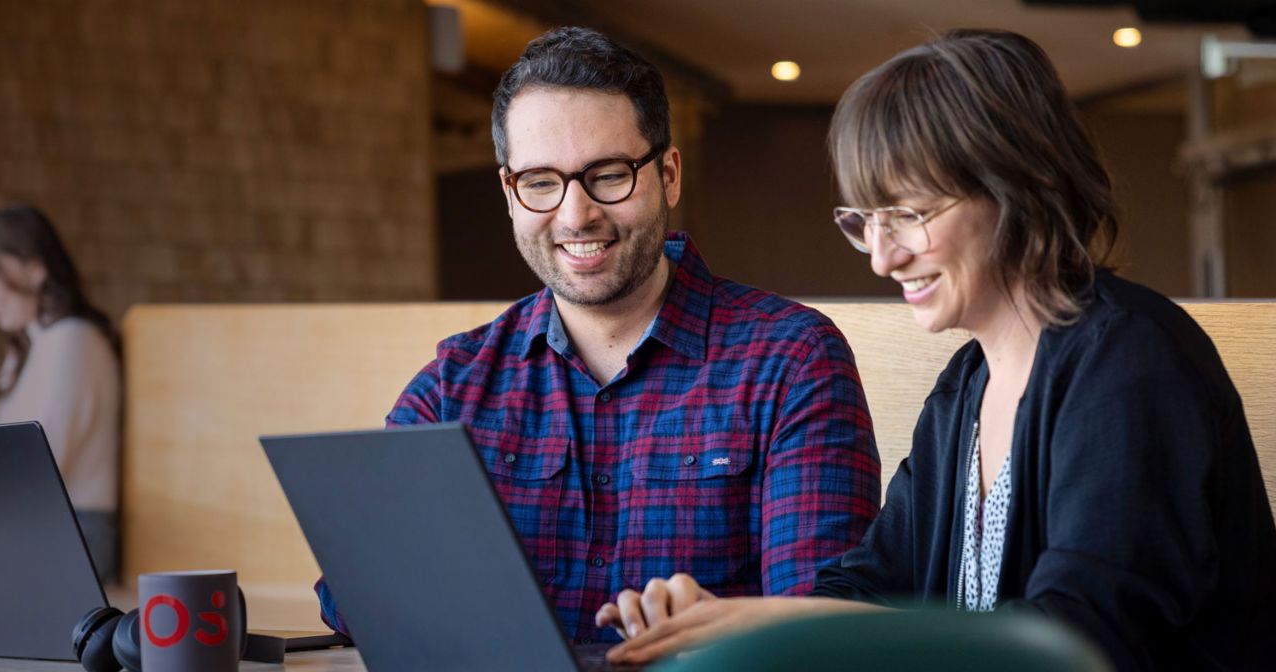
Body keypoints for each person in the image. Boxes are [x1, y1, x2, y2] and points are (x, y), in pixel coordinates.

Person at [598, 29, 1276, 670]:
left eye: (907, 214)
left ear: (1016, 185)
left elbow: (1077, 643)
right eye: (865, 221)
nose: (881, 258)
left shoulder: (1130, 360)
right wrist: (727, 620)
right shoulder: (965, 387)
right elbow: (872, 588)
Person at [313, 26, 881, 643]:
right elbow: (350, 602)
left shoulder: (792, 361)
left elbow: (820, 633)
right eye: (540, 182)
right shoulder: (456, 385)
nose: (575, 214)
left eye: (608, 174)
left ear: (668, 174)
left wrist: (716, 627)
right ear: (510, 193)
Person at [0, 203, 122, 583]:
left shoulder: (74, 340)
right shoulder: (26, 349)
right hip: (33, 525)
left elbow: (43, 469)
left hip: (75, 533)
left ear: (34, 267)